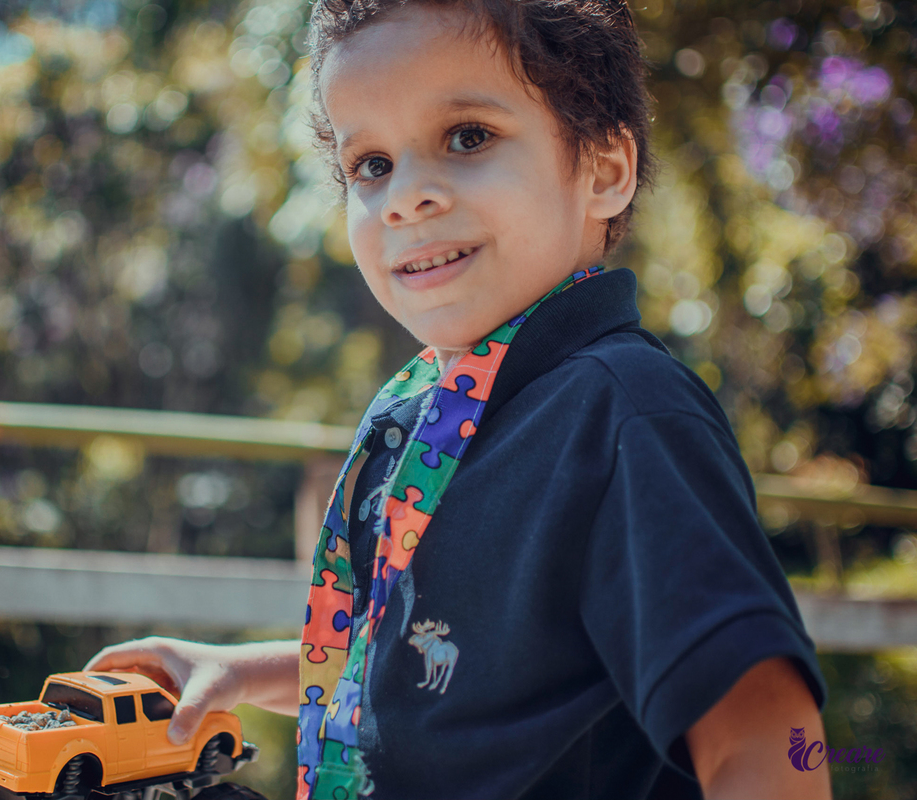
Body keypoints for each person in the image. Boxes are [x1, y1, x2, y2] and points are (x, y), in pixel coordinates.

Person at [86, 0, 833, 797]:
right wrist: (235, 671)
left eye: (467, 137)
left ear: (604, 170)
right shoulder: (421, 412)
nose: (406, 197)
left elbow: (771, 736)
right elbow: (429, 660)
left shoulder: (624, 415)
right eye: (370, 164)